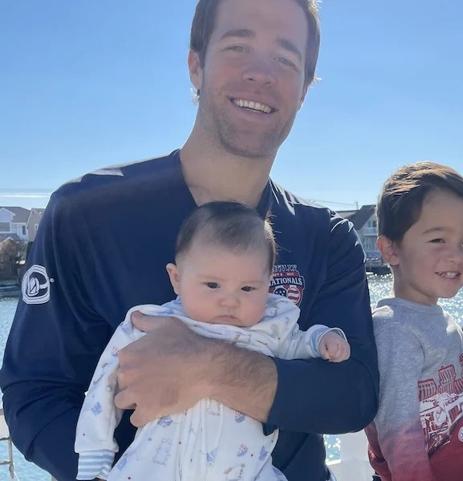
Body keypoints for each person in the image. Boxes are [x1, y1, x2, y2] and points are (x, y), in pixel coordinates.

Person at [0, 1, 378, 480]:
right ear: (195, 65)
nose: (261, 73)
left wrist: (210, 366)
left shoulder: (328, 236)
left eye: (285, 59)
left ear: (304, 88)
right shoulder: (83, 214)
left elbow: (353, 394)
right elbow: (35, 391)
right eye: (238, 47)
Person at [75, 202, 351, 481]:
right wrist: (95, 451)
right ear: (177, 278)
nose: (230, 300)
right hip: (156, 468)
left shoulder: (272, 325)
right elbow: (104, 383)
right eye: (212, 285)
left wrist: (322, 338)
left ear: (268, 284)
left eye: (247, 288)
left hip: (246, 472)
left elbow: (298, 342)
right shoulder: (149, 324)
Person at [364, 162, 463, 481]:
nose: (456, 255)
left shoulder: (441, 320)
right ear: (391, 249)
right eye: (438, 239)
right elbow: (400, 435)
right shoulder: (395, 330)